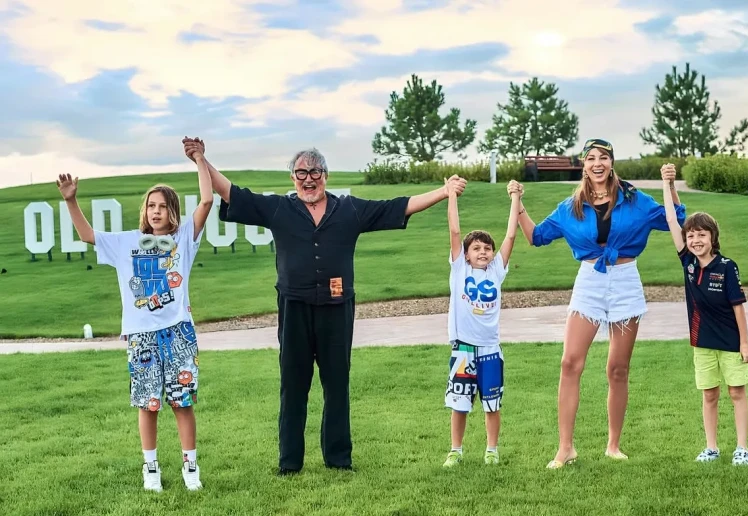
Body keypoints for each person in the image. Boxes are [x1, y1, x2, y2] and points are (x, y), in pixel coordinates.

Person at [181, 137, 466, 475]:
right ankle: (290, 462)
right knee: (293, 386)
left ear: (325, 176)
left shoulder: (349, 209)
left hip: (337, 309)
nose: (308, 179)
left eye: (315, 172)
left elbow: (399, 206)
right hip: (294, 307)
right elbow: (231, 193)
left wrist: (443, 191)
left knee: (337, 384)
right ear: (293, 178)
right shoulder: (279, 208)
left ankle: (338, 459)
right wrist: (201, 159)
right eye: (301, 173)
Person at [507, 138, 686, 468]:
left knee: (618, 369)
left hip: (626, 281)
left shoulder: (634, 199)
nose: (597, 163)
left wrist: (670, 185)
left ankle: (613, 445)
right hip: (589, 281)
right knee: (569, 363)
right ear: (584, 165)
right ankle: (565, 448)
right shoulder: (570, 207)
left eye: (603, 157)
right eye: (591, 158)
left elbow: (675, 218)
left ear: (612, 162)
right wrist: (517, 203)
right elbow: (536, 236)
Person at [56, 144, 214, 492]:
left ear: (173, 212)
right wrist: (71, 200)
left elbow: (206, 201)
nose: (156, 211)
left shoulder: (183, 240)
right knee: (148, 404)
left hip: (178, 333)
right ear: (145, 210)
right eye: (151, 205)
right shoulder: (127, 243)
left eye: (163, 206)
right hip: (141, 335)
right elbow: (87, 235)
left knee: (182, 403)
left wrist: (200, 160)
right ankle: (151, 467)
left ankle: (190, 466)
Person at [660, 163, 748, 466]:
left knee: (736, 392)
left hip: (730, 342)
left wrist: (744, 342)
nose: (695, 240)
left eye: (701, 234)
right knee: (709, 395)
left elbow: (738, 306)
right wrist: (668, 184)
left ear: (713, 237)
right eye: (691, 236)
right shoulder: (687, 263)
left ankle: (742, 448)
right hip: (701, 342)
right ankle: (711, 448)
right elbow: (671, 219)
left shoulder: (727, 267)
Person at [442, 176, 520, 467]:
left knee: (492, 404)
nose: (483, 252)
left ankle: (491, 450)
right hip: (463, 349)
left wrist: (515, 198)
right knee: (459, 405)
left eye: (487, 248)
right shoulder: (459, 270)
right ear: (465, 254)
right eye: (476, 248)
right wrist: (451, 195)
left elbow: (510, 237)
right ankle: (456, 450)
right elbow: (454, 230)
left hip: (490, 349)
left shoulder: (496, 271)